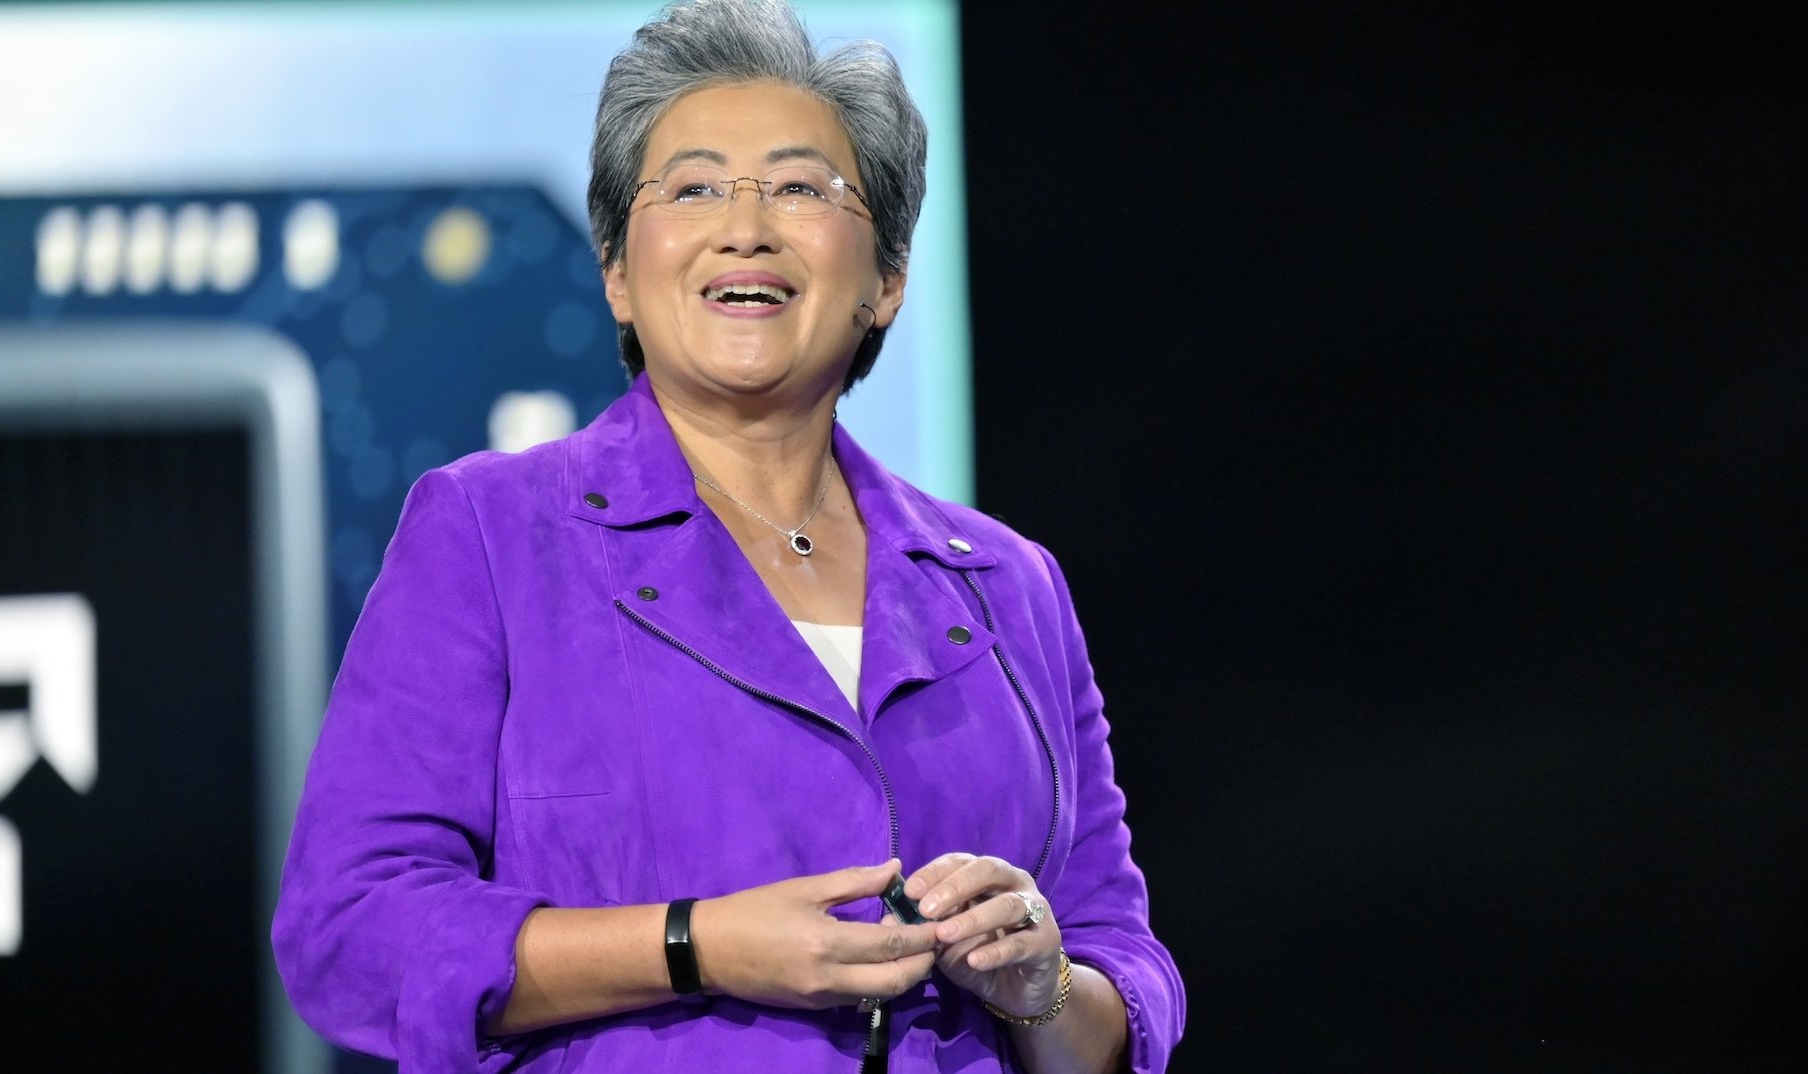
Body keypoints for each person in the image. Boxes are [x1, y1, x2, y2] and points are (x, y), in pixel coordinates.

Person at [271, 1, 1184, 1071]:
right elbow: (351, 932)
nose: (746, 227)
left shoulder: (1008, 584)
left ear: (887, 279)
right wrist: (695, 945)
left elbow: (1121, 975)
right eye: (694, 188)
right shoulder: (490, 534)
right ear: (617, 271)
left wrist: (1042, 988)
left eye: (802, 188)